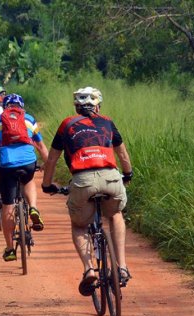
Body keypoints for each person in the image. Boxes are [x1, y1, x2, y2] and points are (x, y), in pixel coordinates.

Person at [41, 86, 133, 295]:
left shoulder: (67, 124)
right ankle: (122, 266)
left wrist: (47, 185)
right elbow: (123, 154)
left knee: (79, 225)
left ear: (77, 107)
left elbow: (52, 159)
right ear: (97, 106)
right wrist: (127, 174)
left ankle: (89, 269)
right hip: (111, 177)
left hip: (82, 181)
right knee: (116, 214)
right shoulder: (108, 121)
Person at [0, 93, 49, 262]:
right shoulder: (29, 119)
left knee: (8, 205)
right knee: (28, 180)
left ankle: (10, 248)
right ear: (21, 106)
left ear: (5, 107)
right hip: (28, 162)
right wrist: (48, 164)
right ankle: (33, 207)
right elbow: (40, 146)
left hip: (7, 165)